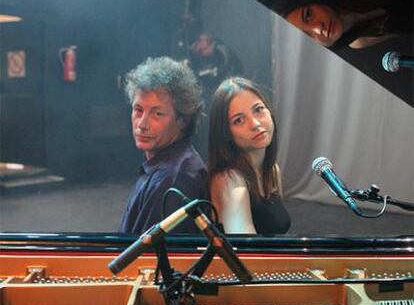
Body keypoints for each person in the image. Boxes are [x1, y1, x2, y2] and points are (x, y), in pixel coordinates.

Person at [119, 56, 207, 235]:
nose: (142, 124)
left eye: (157, 114)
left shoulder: (171, 180)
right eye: (138, 110)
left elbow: (143, 259)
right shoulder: (168, 164)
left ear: (182, 120)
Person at [208, 77, 291, 234]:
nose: (255, 124)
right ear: (225, 133)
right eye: (239, 120)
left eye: (258, 110)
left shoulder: (272, 170)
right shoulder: (230, 180)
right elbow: (246, 251)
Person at [273, 0, 414, 49]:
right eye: (309, 37)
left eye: (308, 15)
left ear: (312, 0)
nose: (318, 28)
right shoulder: (359, 41)